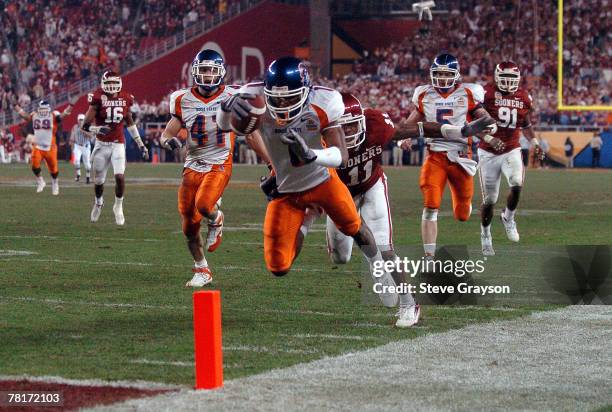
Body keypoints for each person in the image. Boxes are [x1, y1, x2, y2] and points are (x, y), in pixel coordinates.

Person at [218, 57, 401, 309]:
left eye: (290, 97)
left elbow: (341, 154)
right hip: (287, 188)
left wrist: (312, 155)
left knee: (353, 225)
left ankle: (376, 265)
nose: (282, 104)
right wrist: (225, 110)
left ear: (306, 91)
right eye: (276, 98)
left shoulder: (325, 102)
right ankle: (305, 219)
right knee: (278, 266)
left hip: (322, 180)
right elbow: (224, 125)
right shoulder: (252, 97)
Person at [320, 92, 492, 327]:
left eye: (352, 126)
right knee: (340, 257)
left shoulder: (376, 126)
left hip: (371, 187)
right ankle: (373, 260)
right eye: (343, 128)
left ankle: (409, 303)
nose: (349, 133)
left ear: (361, 121)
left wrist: (460, 132)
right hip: (338, 193)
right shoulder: (319, 138)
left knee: (386, 248)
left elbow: (419, 129)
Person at [159, 50, 239, 287]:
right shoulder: (183, 98)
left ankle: (217, 217)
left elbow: (252, 123)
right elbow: (168, 132)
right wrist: (167, 141)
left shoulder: (233, 96)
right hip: (192, 164)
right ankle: (202, 269)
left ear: (221, 72)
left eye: (211, 70)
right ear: (194, 72)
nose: (206, 75)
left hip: (220, 160)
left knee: (204, 205)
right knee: (188, 225)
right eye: (202, 70)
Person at [403, 53, 495, 259]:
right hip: (435, 155)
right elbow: (410, 123)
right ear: (432, 74)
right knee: (430, 204)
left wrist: (489, 126)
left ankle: (465, 206)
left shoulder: (469, 93)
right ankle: (429, 256)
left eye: (447, 74)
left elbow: (484, 118)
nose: (443, 79)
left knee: (462, 214)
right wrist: (404, 137)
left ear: (456, 75)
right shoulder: (424, 94)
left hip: (462, 157)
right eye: (439, 74)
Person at [478, 62, 545, 256]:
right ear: (497, 77)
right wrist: (488, 137)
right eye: (504, 79)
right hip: (488, 152)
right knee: (490, 200)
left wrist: (535, 143)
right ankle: (485, 234)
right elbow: (472, 124)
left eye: (512, 79)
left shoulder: (524, 97)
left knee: (517, 184)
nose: (508, 83)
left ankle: (509, 217)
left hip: (511, 149)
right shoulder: (485, 94)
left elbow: (526, 124)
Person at [82, 70, 149, 225]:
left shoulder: (125, 98)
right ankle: (99, 202)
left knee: (119, 176)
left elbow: (130, 122)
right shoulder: (97, 98)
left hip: (118, 143)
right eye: (109, 83)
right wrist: (97, 129)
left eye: (114, 83)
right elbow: (84, 126)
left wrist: (140, 144)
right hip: (101, 145)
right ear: (103, 84)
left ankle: (118, 206)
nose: (111, 86)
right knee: (99, 181)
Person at [15, 99, 74, 194]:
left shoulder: (53, 115)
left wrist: (71, 105)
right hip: (37, 146)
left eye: (44, 109)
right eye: (41, 109)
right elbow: (25, 116)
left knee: (54, 170)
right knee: (34, 167)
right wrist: (16, 107)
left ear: (48, 109)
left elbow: (64, 115)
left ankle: (55, 183)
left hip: (50, 147)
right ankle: (40, 181)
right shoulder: (35, 115)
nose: (42, 111)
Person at [70, 113, 94, 183]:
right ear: (77, 120)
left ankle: (88, 177)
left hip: (86, 146)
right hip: (77, 145)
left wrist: (83, 131)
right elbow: (72, 136)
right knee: (76, 161)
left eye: (82, 120)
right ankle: (78, 175)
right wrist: (72, 144)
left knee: (87, 164)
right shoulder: (75, 127)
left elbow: (91, 136)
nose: (81, 121)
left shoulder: (88, 127)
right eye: (80, 120)